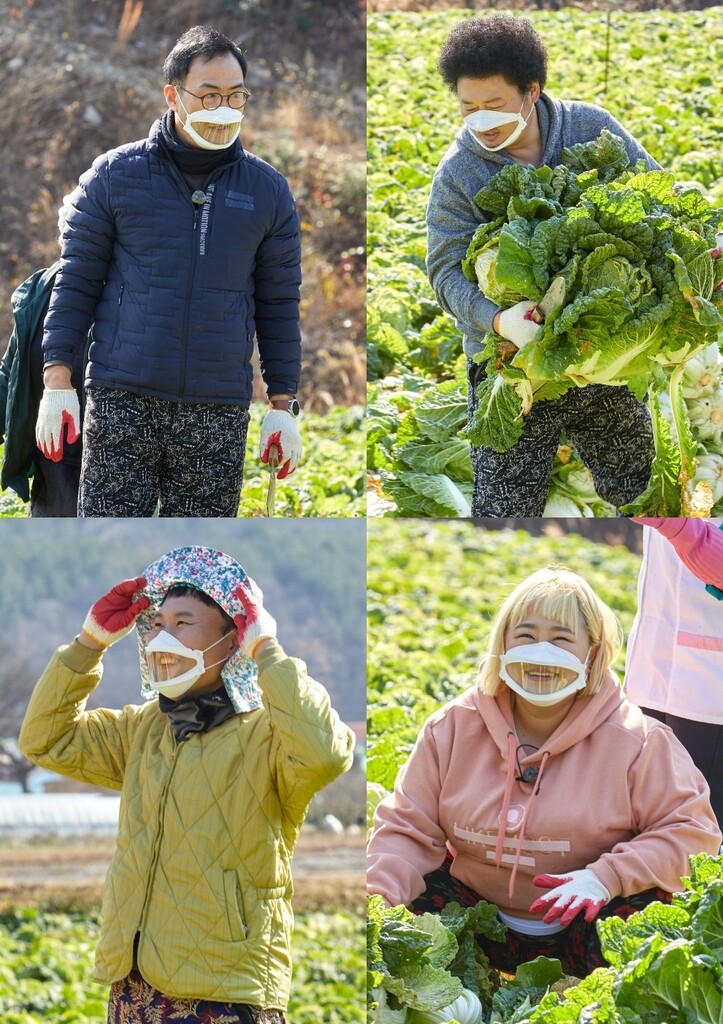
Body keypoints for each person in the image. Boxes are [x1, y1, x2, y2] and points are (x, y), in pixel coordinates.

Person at [19, 546, 354, 1021]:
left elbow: (326, 753)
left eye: (182, 623)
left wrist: (268, 651)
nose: (162, 639)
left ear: (233, 637)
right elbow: (45, 740)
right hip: (133, 982)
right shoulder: (143, 729)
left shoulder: (269, 734)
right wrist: (87, 645)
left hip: (224, 991)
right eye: (155, 624)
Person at [366, 567, 721, 978]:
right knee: (405, 905)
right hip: (476, 917)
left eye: (561, 639)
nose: (540, 654)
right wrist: (376, 901)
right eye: (526, 636)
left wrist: (605, 878)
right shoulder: (452, 728)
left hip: (586, 922)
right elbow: (406, 830)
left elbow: (692, 832)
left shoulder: (639, 742)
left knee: (653, 919)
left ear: (594, 652)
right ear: (502, 645)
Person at [37, 25, 303, 518]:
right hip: (122, 399)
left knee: (200, 551)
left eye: (235, 95)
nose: (223, 108)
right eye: (208, 95)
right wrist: (57, 382)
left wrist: (283, 405)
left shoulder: (268, 191)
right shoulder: (117, 175)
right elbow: (76, 280)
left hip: (217, 410)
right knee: (108, 543)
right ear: (173, 95)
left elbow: (279, 302)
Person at [426, 14, 658, 516]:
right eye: (468, 107)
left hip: (601, 352)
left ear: (531, 91)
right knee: (504, 509)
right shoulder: (458, 174)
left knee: (644, 487)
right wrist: (499, 319)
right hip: (510, 363)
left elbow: (658, 198)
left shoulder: (591, 129)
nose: (481, 120)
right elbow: (444, 273)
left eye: (494, 105)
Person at [626, 517, 723, 825]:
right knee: (651, 822)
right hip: (651, 671)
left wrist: (677, 525)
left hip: (709, 694)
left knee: (701, 835)